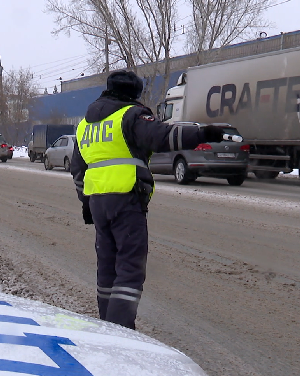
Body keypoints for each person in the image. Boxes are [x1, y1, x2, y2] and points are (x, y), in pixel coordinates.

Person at [70, 70, 224, 330]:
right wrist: (202, 134)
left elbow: (78, 170)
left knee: (107, 267)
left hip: (98, 203)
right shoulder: (131, 115)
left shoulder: (86, 125)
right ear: (133, 93)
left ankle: (106, 327)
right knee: (129, 269)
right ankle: (120, 332)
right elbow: (162, 137)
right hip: (127, 198)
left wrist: (86, 202)